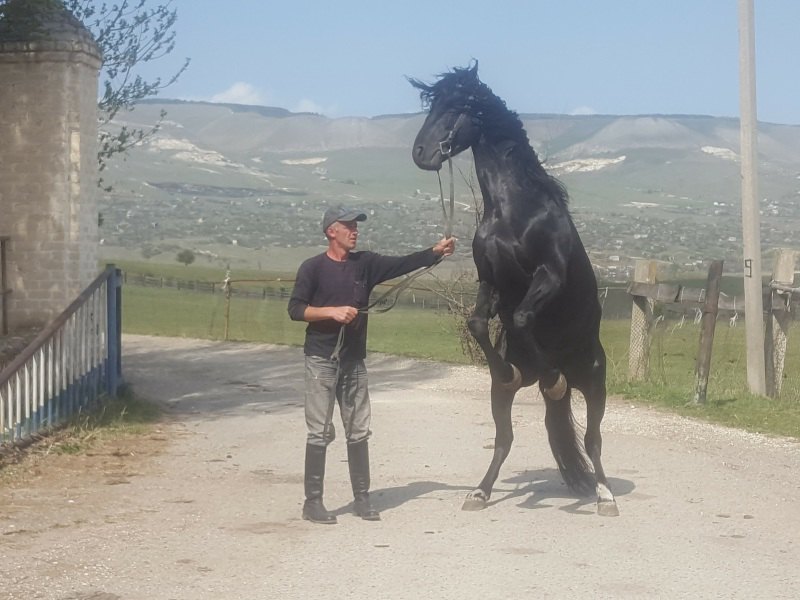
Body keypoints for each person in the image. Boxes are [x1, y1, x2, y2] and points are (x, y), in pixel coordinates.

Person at [288, 206, 455, 524]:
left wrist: (435, 252)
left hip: (353, 361)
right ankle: (313, 503)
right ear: (330, 231)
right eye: (348, 226)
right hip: (321, 359)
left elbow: (403, 264)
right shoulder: (312, 268)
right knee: (319, 431)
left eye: (356, 226)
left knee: (359, 430)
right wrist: (332, 312)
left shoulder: (365, 264)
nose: (355, 230)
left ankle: (362, 500)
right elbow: (295, 309)